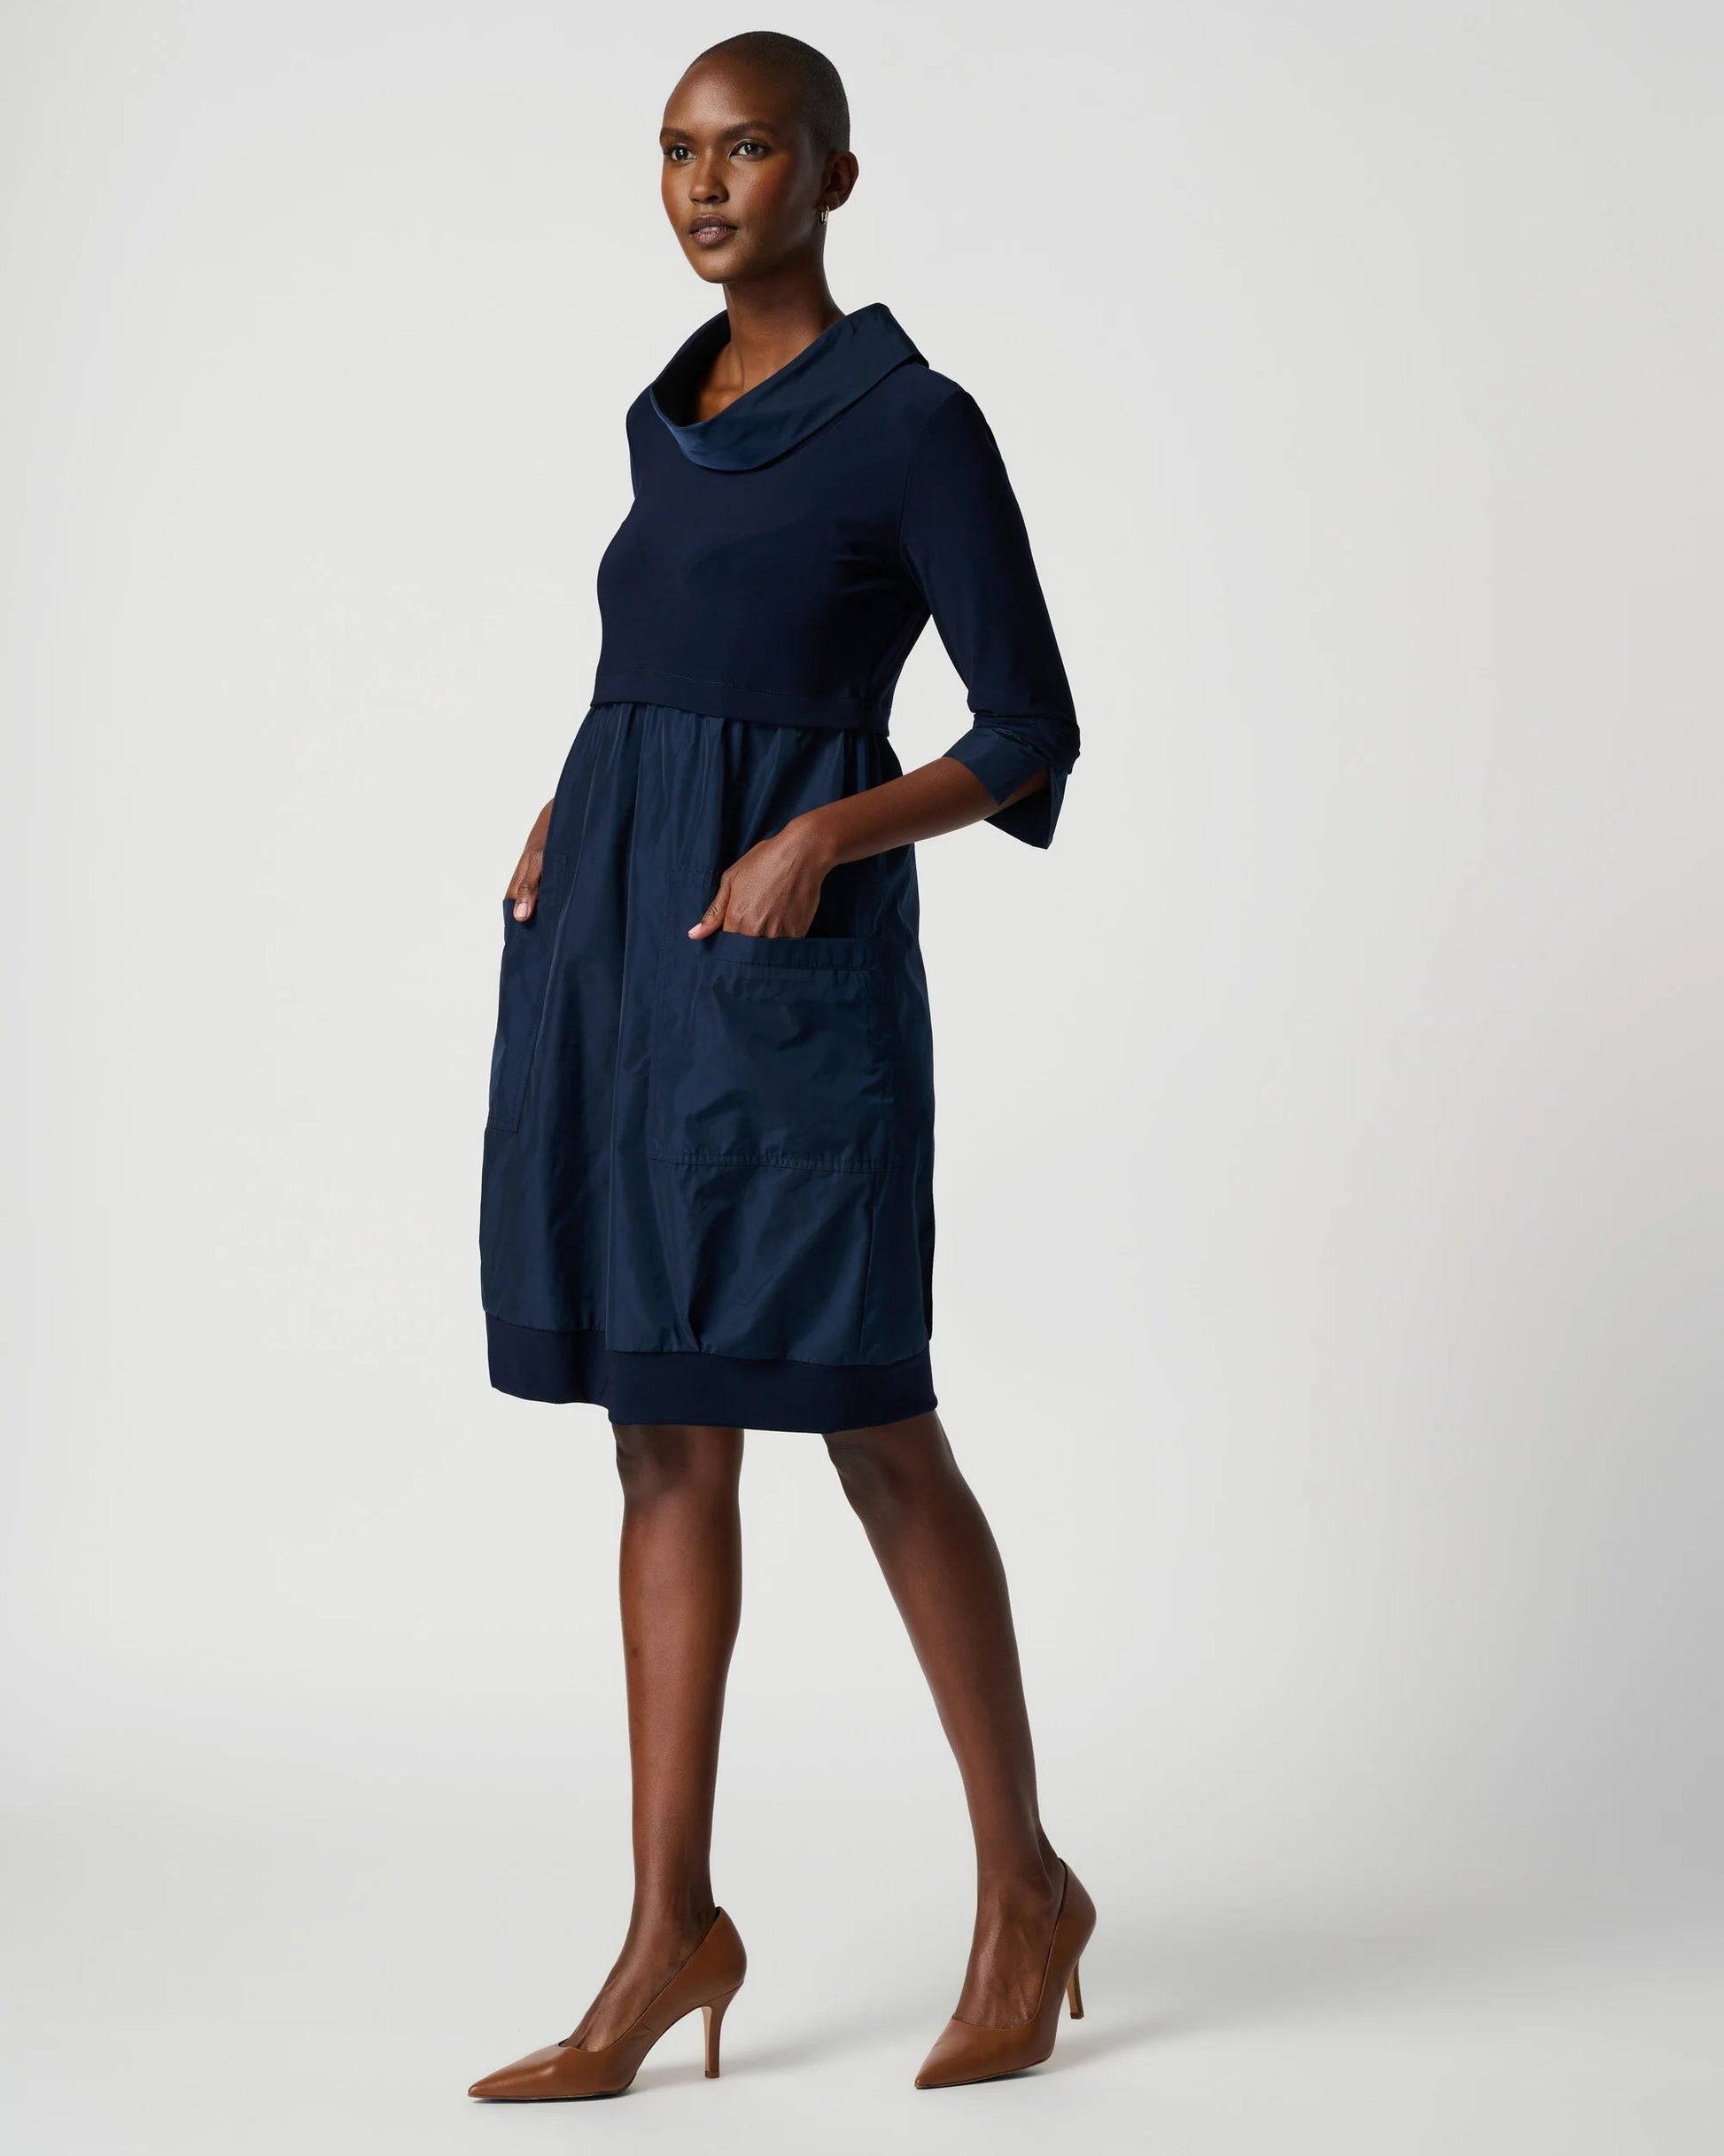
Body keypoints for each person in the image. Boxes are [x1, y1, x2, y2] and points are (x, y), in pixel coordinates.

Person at [469, 30, 1091, 2099]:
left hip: (782, 958)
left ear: (832, 171)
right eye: (674, 154)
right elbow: (658, 657)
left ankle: (1024, 1886)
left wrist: (825, 827)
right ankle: (669, 1929)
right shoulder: (670, 416)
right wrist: (579, 793)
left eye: (745, 150)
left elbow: (1026, 731)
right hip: (618, 945)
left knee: (868, 1418)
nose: (704, 185)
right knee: (657, 1428)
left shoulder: (914, 423)